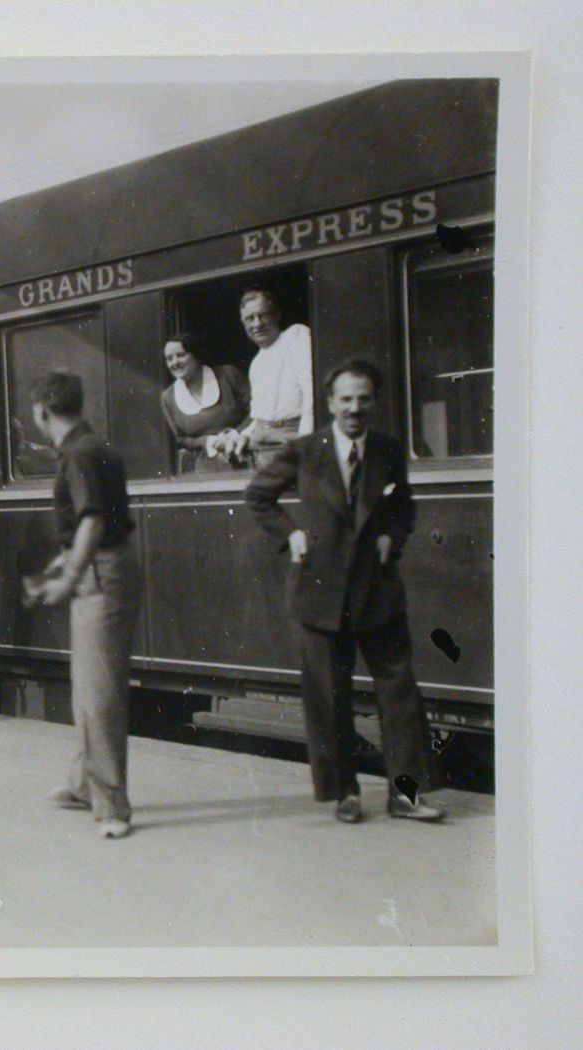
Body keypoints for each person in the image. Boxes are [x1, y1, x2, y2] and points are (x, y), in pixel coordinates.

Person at [245, 358, 444, 824]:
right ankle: (344, 794)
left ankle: (407, 796)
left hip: (376, 591)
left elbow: (404, 510)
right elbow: (258, 496)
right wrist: (290, 534)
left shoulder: (388, 451)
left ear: (374, 402)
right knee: (328, 696)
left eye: (364, 399)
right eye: (346, 399)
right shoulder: (304, 450)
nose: (355, 408)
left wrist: (390, 538)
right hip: (319, 591)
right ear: (331, 403)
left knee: (399, 693)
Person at [29, 371, 142, 839]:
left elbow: (93, 519)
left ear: (41, 412)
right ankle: (82, 783)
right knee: (90, 686)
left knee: (99, 694)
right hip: (106, 567)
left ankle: (112, 804)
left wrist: (70, 575)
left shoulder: (77, 454)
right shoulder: (95, 446)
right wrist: (61, 566)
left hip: (100, 573)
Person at [229, 289, 315, 469]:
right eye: (249, 318)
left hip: (291, 437)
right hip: (262, 443)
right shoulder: (256, 364)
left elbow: (310, 395)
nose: (257, 324)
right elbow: (259, 416)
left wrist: (306, 445)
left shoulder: (296, 336)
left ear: (277, 315)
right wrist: (243, 435)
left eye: (263, 315)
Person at [158, 331, 251, 473]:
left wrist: (235, 434)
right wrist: (207, 441)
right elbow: (181, 439)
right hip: (204, 468)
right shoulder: (168, 397)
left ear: (196, 355)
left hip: (245, 455)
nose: (174, 363)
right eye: (169, 359)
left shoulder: (228, 375)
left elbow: (257, 411)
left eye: (181, 355)